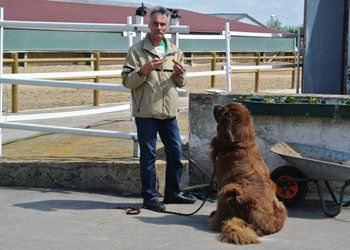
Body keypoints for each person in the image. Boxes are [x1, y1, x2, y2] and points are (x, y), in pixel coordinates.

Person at [121, 6, 195, 211]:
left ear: (168, 25)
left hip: (169, 112)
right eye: (155, 23)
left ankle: (172, 194)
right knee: (148, 156)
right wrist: (143, 70)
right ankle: (150, 198)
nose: (159, 27)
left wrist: (180, 74)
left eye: (163, 24)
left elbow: (181, 82)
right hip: (145, 112)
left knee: (175, 152)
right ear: (149, 24)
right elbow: (127, 81)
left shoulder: (175, 50)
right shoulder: (136, 51)